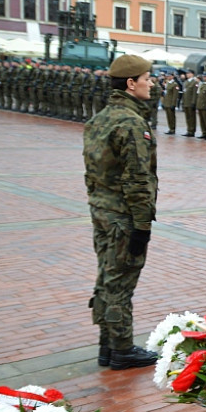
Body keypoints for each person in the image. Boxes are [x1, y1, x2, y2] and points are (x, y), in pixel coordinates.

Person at [82, 54, 160, 371]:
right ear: (131, 84)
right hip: (123, 217)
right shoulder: (131, 123)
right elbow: (137, 180)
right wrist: (142, 225)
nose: (151, 83)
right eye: (147, 78)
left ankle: (108, 346)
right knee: (120, 284)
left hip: (101, 212)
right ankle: (123, 349)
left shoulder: (99, 118)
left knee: (107, 277)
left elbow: (92, 173)